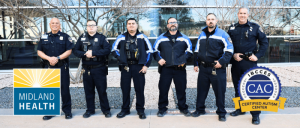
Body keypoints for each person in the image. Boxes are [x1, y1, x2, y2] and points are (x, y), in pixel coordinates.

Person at [227, 7, 268, 125]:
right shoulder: (232, 28)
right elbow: (227, 45)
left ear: (248, 14)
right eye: (241, 13)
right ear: (238, 14)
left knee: (252, 88)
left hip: (250, 62)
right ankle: (240, 109)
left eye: (245, 13)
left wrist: (258, 55)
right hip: (236, 62)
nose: (242, 15)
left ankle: (255, 115)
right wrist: (233, 55)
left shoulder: (255, 27)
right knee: (238, 87)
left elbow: (264, 43)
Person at [192, 13, 233, 121]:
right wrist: (196, 64)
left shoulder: (223, 34)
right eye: (208, 19)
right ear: (206, 21)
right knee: (201, 90)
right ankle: (199, 109)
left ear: (216, 21)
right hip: (203, 69)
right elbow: (196, 51)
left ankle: (221, 112)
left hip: (217, 69)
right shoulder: (202, 34)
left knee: (219, 91)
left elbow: (229, 50)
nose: (210, 21)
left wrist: (222, 61)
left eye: (212, 19)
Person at [111, 18, 153, 119]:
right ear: (126, 26)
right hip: (125, 67)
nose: (131, 25)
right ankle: (125, 109)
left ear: (136, 25)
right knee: (125, 89)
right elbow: (113, 49)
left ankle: (140, 110)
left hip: (139, 67)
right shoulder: (121, 37)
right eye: (129, 24)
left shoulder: (143, 37)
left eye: (133, 23)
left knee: (139, 89)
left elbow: (150, 51)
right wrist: (121, 58)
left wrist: (146, 65)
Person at [153, 17, 193, 117]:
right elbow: (154, 51)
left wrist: (183, 60)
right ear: (167, 25)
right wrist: (159, 59)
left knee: (181, 89)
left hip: (180, 69)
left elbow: (190, 51)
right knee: (163, 89)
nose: (173, 24)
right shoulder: (161, 38)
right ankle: (162, 109)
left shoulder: (184, 38)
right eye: (170, 22)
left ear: (177, 24)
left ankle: (183, 107)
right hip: (166, 68)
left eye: (174, 22)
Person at [73, 19, 111, 118]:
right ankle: (90, 110)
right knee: (88, 91)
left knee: (102, 91)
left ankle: (106, 110)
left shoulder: (102, 38)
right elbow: (75, 51)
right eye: (89, 25)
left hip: (99, 69)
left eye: (93, 25)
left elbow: (107, 50)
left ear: (96, 27)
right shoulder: (82, 38)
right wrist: (85, 54)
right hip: (86, 69)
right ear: (86, 27)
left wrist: (93, 53)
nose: (91, 27)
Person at [37, 18, 73, 120]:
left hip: (62, 66)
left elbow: (69, 51)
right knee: (50, 90)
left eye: (57, 23)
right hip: (48, 67)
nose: (55, 25)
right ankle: (50, 111)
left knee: (65, 90)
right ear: (49, 24)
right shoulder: (44, 37)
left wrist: (57, 58)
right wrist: (49, 58)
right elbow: (39, 51)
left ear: (60, 25)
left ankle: (67, 111)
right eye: (53, 23)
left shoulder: (65, 37)